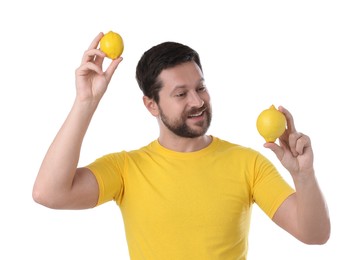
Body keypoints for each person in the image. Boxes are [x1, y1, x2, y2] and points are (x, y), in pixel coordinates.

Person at [33, 32, 330, 259]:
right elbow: (49, 193)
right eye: (181, 94)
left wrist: (303, 175)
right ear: (151, 105)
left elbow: (314, 234)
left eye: (201, 87)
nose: (198, 101)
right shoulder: (126, 169)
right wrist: (86, 102)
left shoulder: (247, 164)